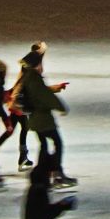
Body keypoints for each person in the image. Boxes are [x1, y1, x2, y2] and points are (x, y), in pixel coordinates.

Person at [16, 44, 75, 186]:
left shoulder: (28, 77)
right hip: (42, 119)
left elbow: (43, 92)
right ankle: (57, 174)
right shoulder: (35, 79)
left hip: (35, 120)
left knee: (44, 146)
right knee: (58, 143)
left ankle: (45, 175)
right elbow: (45, 96)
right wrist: (61, 107)